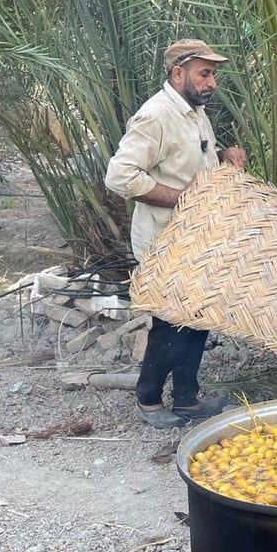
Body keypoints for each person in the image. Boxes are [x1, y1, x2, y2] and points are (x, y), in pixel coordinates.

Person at [105, 38, 248, 428]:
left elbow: (188, 162)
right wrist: (181, 198)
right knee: (169, 324)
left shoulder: (193, 112)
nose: (212, 82)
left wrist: (223, 157)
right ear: (178, 72)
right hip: (162, 240)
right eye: (205, 73)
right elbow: (120, 176)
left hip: (195, 238)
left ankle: (187, 399)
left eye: (213, 74)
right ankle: (148, 399)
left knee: (198, 318)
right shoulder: (157, 116)